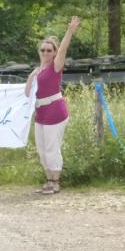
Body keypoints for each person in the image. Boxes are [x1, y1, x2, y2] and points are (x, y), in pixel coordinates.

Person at [25, 16, 80, 195]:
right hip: (41, 113)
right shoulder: (37, 71)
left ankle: (55, 183)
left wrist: (69, 32)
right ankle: (48, 180)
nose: (46, 53)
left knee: (52, 147)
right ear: (39, 52)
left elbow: (63, 49)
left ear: (54, 53)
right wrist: (31, 77)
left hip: (55, 112)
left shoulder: (55, 67)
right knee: (42, 148)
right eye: (43, 50)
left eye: (49, 50)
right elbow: (27, 93)